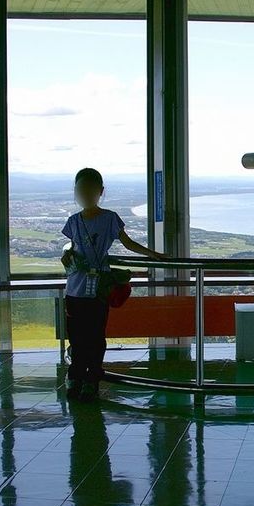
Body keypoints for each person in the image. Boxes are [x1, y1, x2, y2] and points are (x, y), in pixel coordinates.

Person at [61, 167, 165, 402]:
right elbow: (72, 247)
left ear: (100, 192)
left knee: (96, 337)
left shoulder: (110, 219)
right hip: (75, 289)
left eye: (90, 190)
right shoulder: (73, 222)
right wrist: (65, 252)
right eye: (81, 190)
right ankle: (75, 377)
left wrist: (153, 255)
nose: (85, 195)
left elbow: (128, 243)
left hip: (98, 290)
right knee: (77, 337)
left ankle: (91, 380)